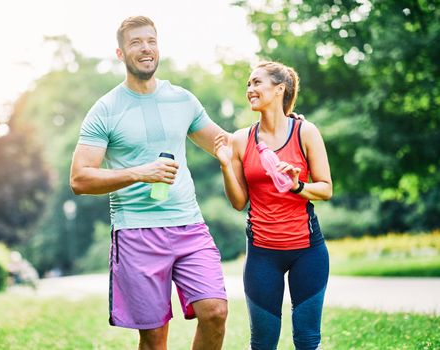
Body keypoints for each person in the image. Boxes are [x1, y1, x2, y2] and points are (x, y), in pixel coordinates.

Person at [70, 16, 228, 350]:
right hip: (136, 232)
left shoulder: (182, 99)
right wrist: (140, 173)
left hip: (190, 227)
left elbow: (223, 143)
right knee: (155, 338)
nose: (146, 49)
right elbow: (80, 178)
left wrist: (278, 126)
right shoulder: (106, 110)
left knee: (214, 311)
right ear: (120, 53)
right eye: (136, 43)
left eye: (151, 41)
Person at [214, 61, 332, 350]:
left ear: (279, 89)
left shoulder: (305, 132)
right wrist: (226, 166)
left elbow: (326, 189)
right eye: (248, 84)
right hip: (262, 255)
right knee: (263, 343)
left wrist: (298, 186)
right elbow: (239, 202)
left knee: (307, 340)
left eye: (257, 83)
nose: (250, 89)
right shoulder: (241, 139)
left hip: (308, 252)